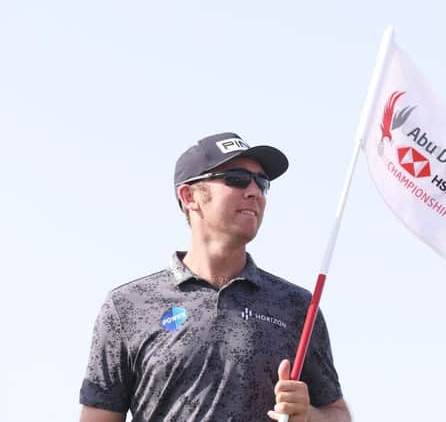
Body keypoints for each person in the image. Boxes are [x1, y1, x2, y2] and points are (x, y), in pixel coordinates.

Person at [79, 132, 351, 422]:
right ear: (189, 196)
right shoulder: (127, 306)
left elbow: (337, 414)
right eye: (236, 178)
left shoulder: (297, 307)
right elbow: (99, 415)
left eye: (262, 183)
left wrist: (308, 415)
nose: (254, 192)